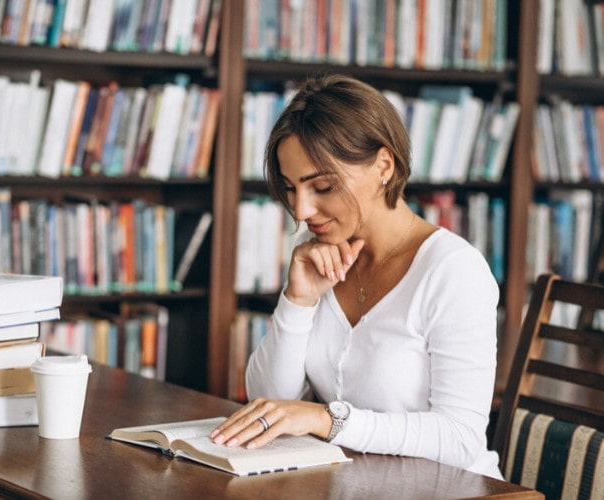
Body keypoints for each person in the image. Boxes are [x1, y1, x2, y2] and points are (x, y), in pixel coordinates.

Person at [209, 74, 503, 480]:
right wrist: (298, 300)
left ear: (384, 165)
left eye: (323, 187)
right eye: (292, 189)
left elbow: (459, 438)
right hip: (358, 485)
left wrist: (327, 420)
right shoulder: (326, 257)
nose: (302, 211)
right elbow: (270, 404)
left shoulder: (455, 271)